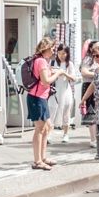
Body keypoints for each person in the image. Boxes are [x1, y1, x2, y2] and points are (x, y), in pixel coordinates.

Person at [25, 38, 57, 171]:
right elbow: (45, 81)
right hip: (37, 98)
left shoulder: (40, 60)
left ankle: (42, 158)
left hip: (39, 98)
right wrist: (59, 73)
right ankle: (37, 161)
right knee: (40, 129)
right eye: (52, 48)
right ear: (47, 48)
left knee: (47, 127)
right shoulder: (41, 61)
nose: (54, 51)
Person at [48, 44, 78, 143]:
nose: (61, 55)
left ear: (67, 53)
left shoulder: (70, 64)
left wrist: (64, 73)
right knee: (52, 111)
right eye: (59, 53)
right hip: (54, 90)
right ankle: (49, 134)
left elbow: (74, 78)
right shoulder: (52, 62)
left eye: (64, 53)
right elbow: (47, 75)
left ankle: (66, 134)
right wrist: (53, 73)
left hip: (66, 90)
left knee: (66, 112)